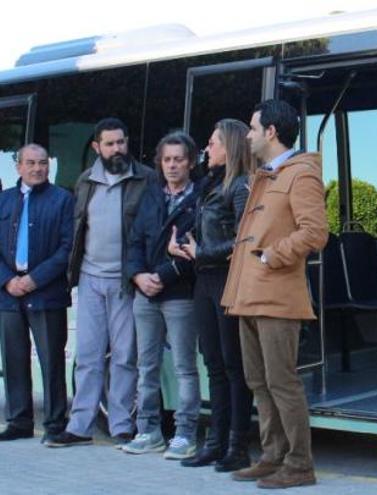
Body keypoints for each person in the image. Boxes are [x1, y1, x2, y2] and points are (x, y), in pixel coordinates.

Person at [222, 99, 327, 489]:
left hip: (277, 295)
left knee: (282, 382)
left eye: (252, 128)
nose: (247, 135)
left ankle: (300, 465)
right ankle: (273, 456)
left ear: (271, 132)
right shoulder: (267, 174)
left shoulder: (301, 174)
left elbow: (315, 232)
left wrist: (271, 256)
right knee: (258, 381)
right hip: (248, 295)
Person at [48, 118, 156, 448]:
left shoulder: (145, 179)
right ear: (97, 147)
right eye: (109, 144)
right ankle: (80, 425)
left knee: (124, 356)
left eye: (121, 142)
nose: (116, 149)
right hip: (90, 279)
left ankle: (122, 425)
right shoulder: (85, 181)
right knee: (89, 355)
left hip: (126, 281)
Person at [169, 119, 254, 470]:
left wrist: (201, 252)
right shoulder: (209, 185)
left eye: (213, 142)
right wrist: (184, 247)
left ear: (230, 147)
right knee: (214, 365)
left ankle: (238, 446)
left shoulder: (241, 185)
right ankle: (215, 442)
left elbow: (245, 239)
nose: (207, 148)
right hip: (204, 281)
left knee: (234, 366)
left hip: (227, 281)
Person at [121, 131, 200, 460]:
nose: (172, 165)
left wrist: (160, 276)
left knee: (184, 367)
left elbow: (194, 252)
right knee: (146, 366)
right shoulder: (150, 197)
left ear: (191, 162)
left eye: (178, 159)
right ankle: (148, 431)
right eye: (166, 160)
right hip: (145, 294)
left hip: (180, 293)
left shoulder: (200, 199)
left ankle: (185, 434)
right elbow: (135, 242)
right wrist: (138, 276)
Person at [0, 144, 74, 442]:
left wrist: (34, 279)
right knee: (14, 358)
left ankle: (55, 422)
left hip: (47, 291)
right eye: (30, 163)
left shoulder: (62, 200)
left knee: (51, 358)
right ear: (18, 166)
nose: (37, 168)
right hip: (8, 293)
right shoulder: (3, 200)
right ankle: (19, 421)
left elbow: (68, 248)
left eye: (42, 163)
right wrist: (7, 281)